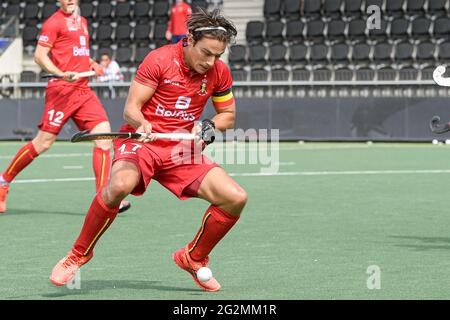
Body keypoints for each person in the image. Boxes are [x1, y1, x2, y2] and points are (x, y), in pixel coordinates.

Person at [50, 9, 247, 292]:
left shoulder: (218, 72)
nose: (210, 61)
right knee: (119, 185)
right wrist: (141, 123)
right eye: (206, 53)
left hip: (182, 151)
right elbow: (131, 109)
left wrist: (209, 126)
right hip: (143, 143)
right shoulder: (160, 60)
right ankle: (77, 255)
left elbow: (227, 115)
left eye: (217, 55)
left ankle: (193, 257)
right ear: (189, 38)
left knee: (235, 198)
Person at [0, 0, 130, 214]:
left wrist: (92, 64)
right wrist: (61, 74)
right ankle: (4, 181)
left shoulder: (83, 21)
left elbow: (78, 53)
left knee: (104, 137)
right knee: (43, 143)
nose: (69, 0)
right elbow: (40, 56)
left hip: (83, 91)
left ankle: (103, 197)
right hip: (61, 91)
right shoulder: (53, 23)